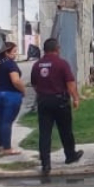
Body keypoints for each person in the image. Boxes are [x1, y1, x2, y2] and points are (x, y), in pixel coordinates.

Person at [31, 38, 84, 178]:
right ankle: (70, 155)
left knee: (45, 133)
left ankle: (46, 164)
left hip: (43, 101)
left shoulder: (37, 65)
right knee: (66, 130)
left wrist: (43, 94)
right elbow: (70, 83)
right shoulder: (61, 63)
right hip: (60, 101)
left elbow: (35, 85)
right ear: (57, 49)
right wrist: (76, 98)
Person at [0, 42, 25, 156]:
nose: (15, 54)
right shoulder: (10, 64)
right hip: (11, 95)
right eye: (14, 51)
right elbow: (16, 81)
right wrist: (23, 90)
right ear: (7, 53)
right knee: (7, 122)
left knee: (2, 121)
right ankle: (7, 148)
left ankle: (1, 145)